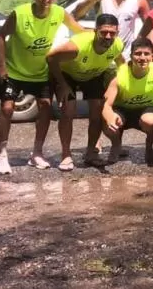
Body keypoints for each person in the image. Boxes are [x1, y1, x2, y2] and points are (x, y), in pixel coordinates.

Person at [0, 0, 83, 174]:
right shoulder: (20, 13)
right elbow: (1, 36)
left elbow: (79, 30)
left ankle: (37, 152)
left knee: (45, 106)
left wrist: (101, 34)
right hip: (15, 70)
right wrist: (1, 66)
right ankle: (1, 154)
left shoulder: (59, 12)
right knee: (7, 108)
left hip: (40, 71)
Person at [47, 14, 124, 171]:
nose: (108, 36)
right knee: (68, 111)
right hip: (67, 75)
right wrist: (62, 84)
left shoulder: (117, 45)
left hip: (93, 75)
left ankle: (91, 153)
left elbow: (121, 63)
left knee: (96, 112)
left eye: (112, 33)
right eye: (103, 32)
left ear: (117, 32)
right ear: (95, 31)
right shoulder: (79, 45)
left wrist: (123, 84)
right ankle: (66, 154)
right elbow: (51, 57)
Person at [101, 37, 153, 165]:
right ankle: (116, 144)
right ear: (131, 55)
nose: (142, 57)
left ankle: (149, 143)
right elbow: (107, 105)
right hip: (122, 110)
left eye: (146, 54)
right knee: (108, 125)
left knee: (151, 122)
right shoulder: (119, 75)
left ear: (152, 56)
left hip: (146, 109)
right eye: (138, 53)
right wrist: (110, 119)